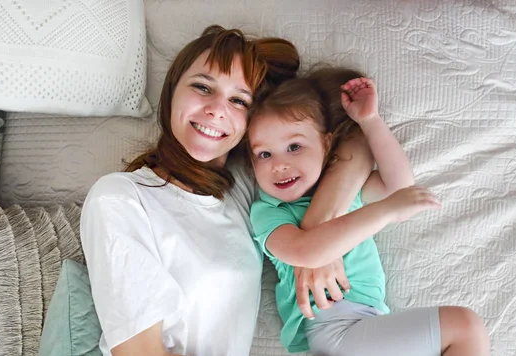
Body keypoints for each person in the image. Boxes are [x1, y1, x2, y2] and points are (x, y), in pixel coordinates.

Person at [80, 25, 375, 356]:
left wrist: (319, 227)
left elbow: (356, 139)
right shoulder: (120, 198)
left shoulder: (248, 188)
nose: (218, 109)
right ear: (172, 91)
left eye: (238, 100)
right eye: (203, 87)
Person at [247, 68, 491, 355]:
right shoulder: (269, 212)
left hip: (364, 327)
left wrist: (371, 122)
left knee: (466, 328)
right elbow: (306, 251)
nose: (279, 165)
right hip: (332, 330)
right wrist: (385, 211)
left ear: (326, 143)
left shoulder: (347, 192)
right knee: (464, 327)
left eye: (294, 146)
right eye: (264, 154)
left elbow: (398, 185)